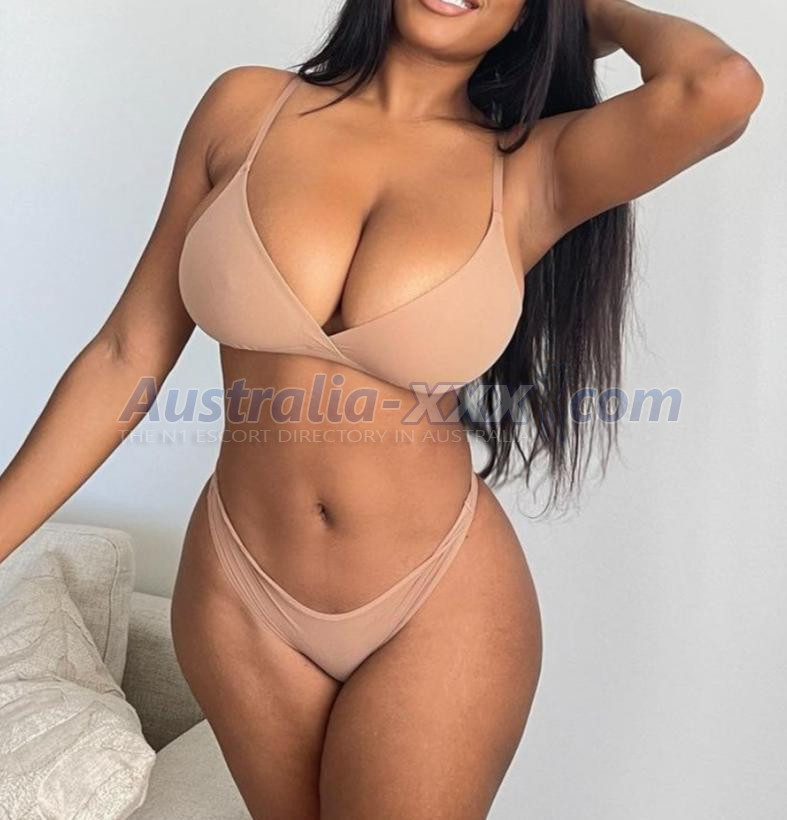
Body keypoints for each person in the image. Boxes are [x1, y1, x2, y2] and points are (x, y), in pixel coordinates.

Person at [0, 0, 762, 817]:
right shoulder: (244, 109)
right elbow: (126, 355)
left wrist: (588, 14)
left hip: (434, 604)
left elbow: (718, 89)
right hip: (239, 591)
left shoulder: (533, 167)